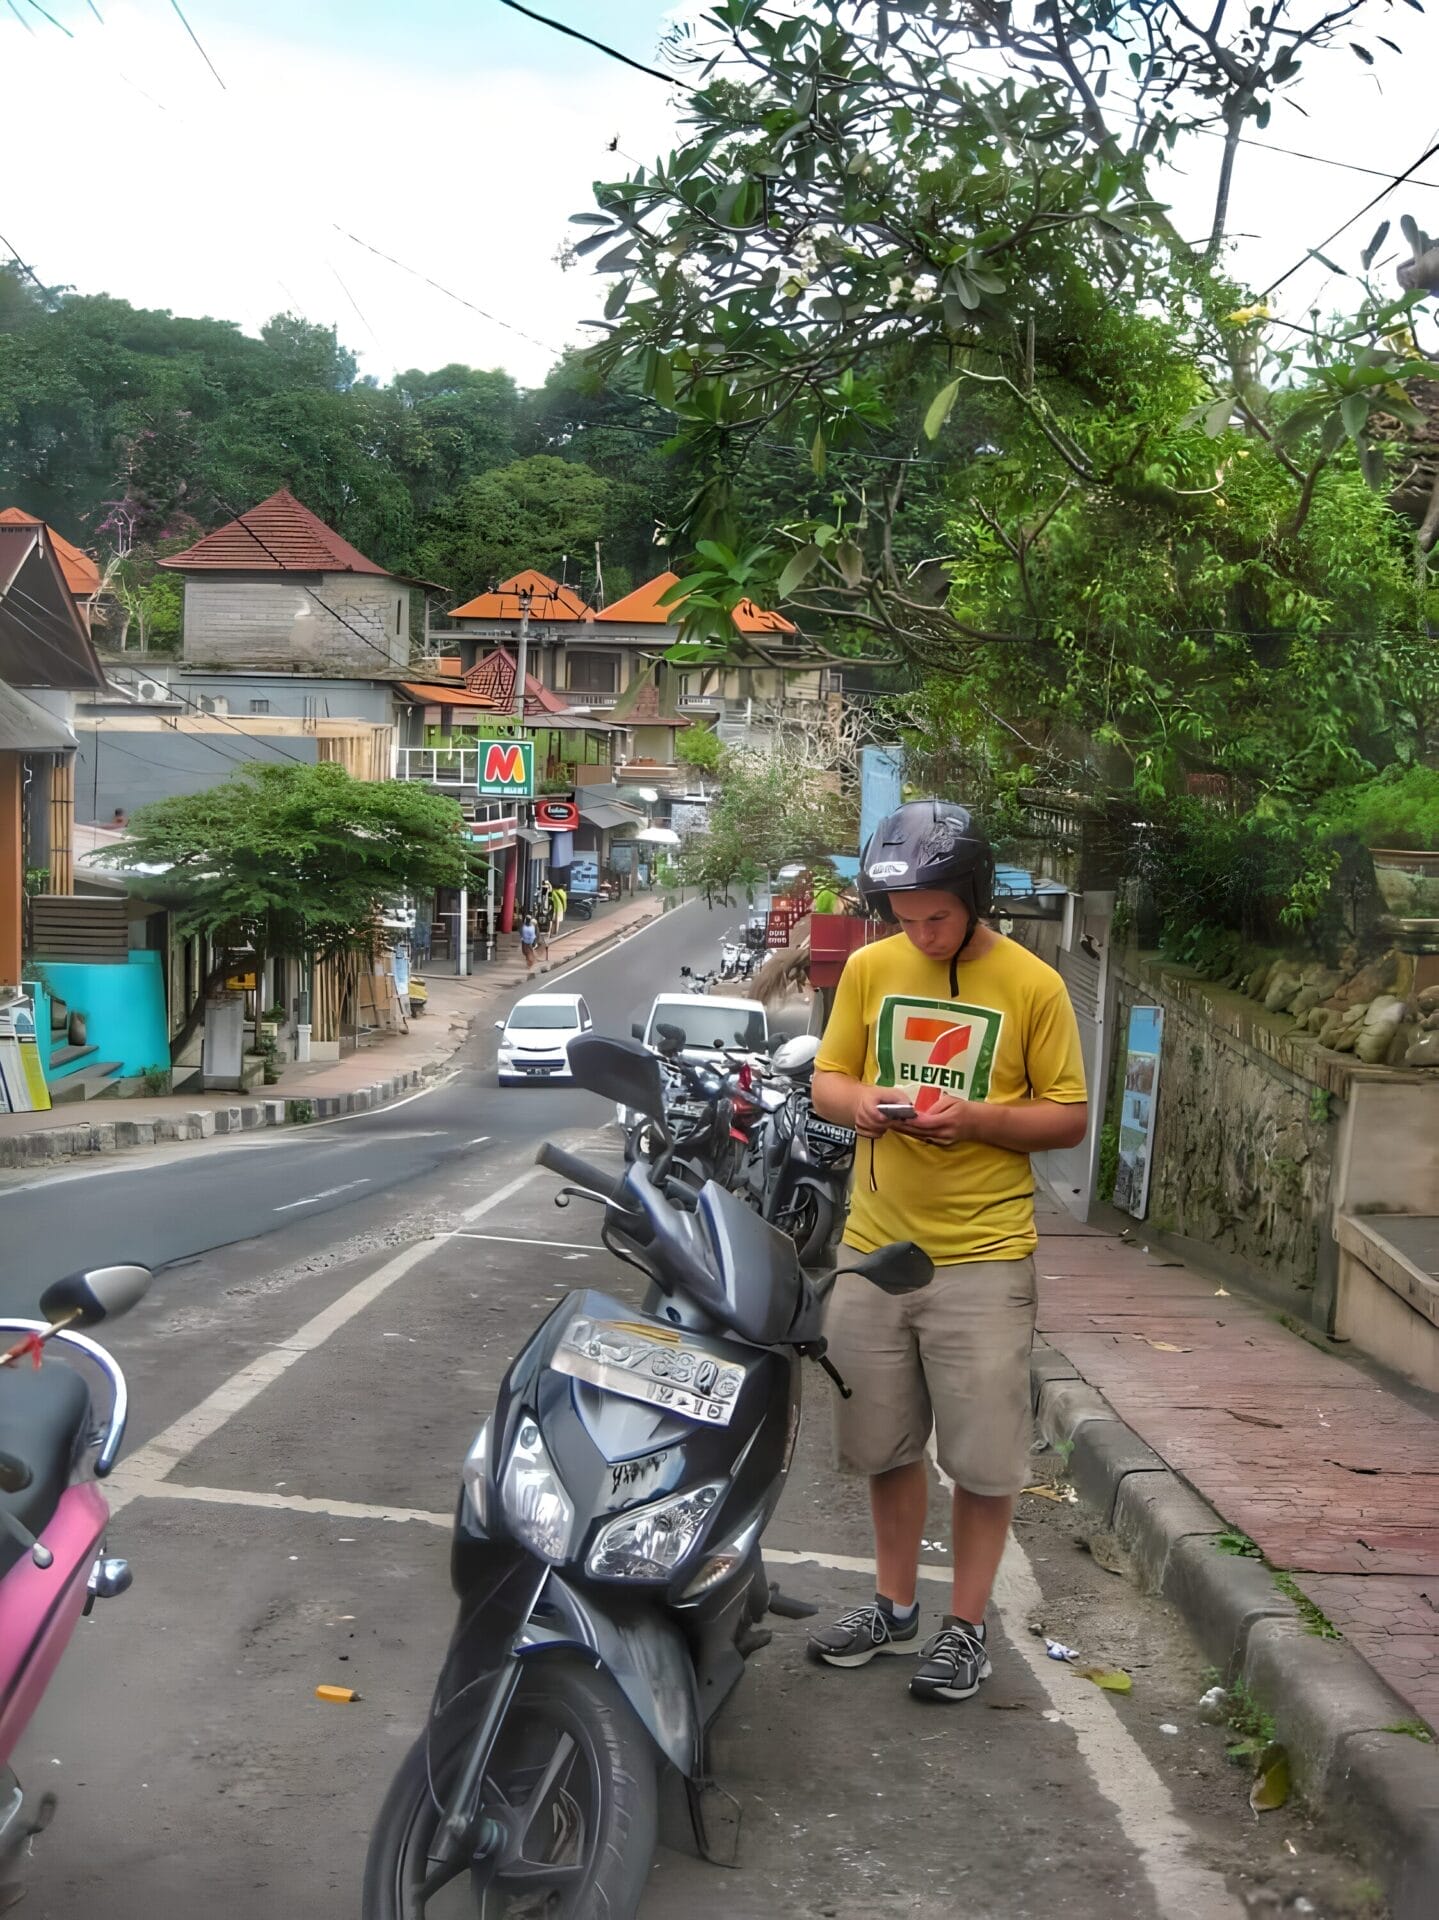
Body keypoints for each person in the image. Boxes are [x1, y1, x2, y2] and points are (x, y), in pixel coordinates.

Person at [807, 800, 1088, 1704]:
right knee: (884, 1445)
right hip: (872, 1248)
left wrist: (976, 1120)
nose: (918, 934)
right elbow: (826, 1078)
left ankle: (965, 1629)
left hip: (983, 1258)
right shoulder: (867, 967)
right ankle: (893, 1609)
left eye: (936, 916)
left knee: (982, 1458)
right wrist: (863, 1106)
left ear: (973, 898)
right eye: (904, 918)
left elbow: (1069, 1116)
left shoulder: (1034, 985)